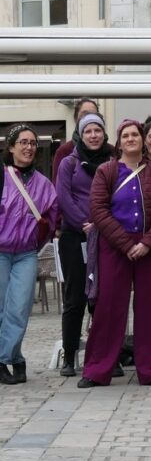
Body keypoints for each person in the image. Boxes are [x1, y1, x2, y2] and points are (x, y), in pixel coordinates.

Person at [78, 119, 151, 389]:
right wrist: (124, 243)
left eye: (136, 134)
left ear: (143, 140)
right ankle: (97, 369)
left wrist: (147, 243)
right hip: (115, 246)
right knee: (108, 307)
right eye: (126, 135)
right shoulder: (105, 172)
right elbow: (98, 209)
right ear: (119, 142)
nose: (131, 138)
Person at [55, 113, 114, 377]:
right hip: (75, 237)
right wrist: (84, 224)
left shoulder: (113, 161)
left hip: (105, 235)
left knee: (102, 298)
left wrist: (100, 225)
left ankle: (104, 356)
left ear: (104, 133)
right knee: (75, 296)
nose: (93, 135)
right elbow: (63, 197)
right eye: (88, 130)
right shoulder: (69, 163)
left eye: (98, 130)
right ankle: (70, 356)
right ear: (81, 134)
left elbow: (118, 196)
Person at [0, 124, 58, 385]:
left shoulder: (44, 184)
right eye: (22, 142)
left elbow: (52, 218)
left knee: (20, 309)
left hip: (25, 254)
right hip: (0, 252)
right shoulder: (2, 176)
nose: (28, 147)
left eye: (33, 143)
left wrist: (34, 240)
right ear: (11, 147)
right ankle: (12, 359)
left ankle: (7, 357)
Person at [52, 97, 101, 179]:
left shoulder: (111, 152)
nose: (88, 118)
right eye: (84, 114)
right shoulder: (64, 151)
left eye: (93, 114)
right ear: (75, 119)